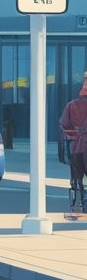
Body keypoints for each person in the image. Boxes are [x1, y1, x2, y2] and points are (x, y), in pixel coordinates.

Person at [60, 79, 87, 218]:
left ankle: (81, 199)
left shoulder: (71, 106)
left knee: (78, 175)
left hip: (77, 147)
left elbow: (64, 125)